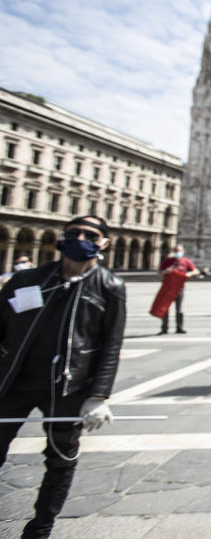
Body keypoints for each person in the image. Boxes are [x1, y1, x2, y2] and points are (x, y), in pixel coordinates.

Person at [0, 216, 125, 539]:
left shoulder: (110, 286)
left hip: (68, 387)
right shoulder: (26, 280)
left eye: (90, 234)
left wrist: (99, 396)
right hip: (13, 383)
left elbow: (110, 346)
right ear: (62, 237)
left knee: (60, 459)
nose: (81, 238)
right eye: (74, 233)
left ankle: (40, 528)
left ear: (104, 243)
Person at [156, 244, 199, 334]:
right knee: (165, 308)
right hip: (168, 288)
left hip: (179, 288)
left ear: (182, 252)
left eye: (179, 251)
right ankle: (164, 328)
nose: (177, 253)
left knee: (179, 309)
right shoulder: (167, 261)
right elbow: (159, 273)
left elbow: (195, 271)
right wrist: (165, 271)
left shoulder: (186, 261)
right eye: (176, 251)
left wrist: (189, 274)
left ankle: (179, 328)